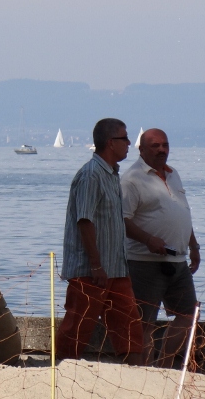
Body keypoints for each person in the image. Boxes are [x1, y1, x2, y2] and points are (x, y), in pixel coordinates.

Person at [56, 118, 143, 364]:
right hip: (90, 271)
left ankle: (135, 376)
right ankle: (57, 375)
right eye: (124, 138)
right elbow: (85, 220)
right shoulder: (91, 174)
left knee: (129, 328)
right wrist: (95, 264)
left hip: (116, 269)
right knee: (76, 329)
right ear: (110, 142)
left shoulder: (112, 175)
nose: (129, 144)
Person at [121, 128, 201, 367]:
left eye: (165, 145)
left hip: (178, 261)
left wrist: (194, 245)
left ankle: (164, 366)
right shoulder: (131, 179)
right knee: (145, 323)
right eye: (155, 146)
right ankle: (145, 372)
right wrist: (147, 239)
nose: (162, 150)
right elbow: (121, 220)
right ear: (141, 149)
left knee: (188, 315)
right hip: (144, 262)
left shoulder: (173, 173)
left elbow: (182, 212)